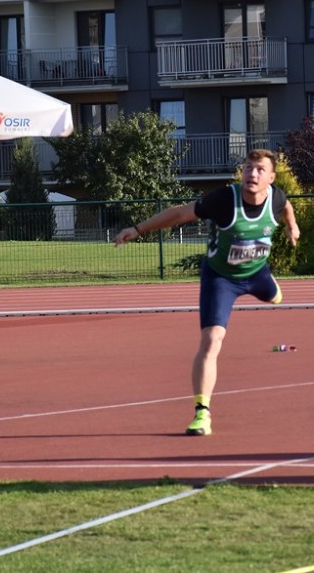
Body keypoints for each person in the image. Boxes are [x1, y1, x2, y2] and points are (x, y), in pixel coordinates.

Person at [113, 149, 300, 436]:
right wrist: (138, 229)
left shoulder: (276, 197)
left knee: (273, 296)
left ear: (271, 178)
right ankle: (202, 413)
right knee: (211, 340)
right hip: (221, 278)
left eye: (260, 169)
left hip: (257, 274)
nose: (252, 174)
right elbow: (180, 214)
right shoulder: (224, 199)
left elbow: (286, 206)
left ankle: (270, 287)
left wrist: (292, 226)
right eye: (248, 167)